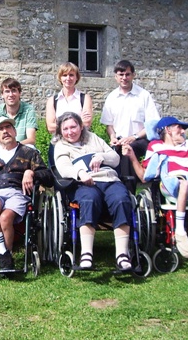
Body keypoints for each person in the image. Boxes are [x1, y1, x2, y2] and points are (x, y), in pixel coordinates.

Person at [124, 116, 188, 259]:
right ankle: (180, 232)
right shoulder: (157, 147)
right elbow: (144, 176)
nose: (183, 131)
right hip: (173, 185)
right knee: (184, 183)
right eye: (179, 127)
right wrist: (132, 157)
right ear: (167, 130)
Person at [52, 112, 134, 271]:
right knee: (89, 199)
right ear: (61, 131)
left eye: (73, 127)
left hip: (108, 179)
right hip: (84, 183)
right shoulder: (61, 145)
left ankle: (122, 255)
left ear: (80, 126)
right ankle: (86, 254)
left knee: (122, 199)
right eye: (66, 128)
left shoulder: (93, 138)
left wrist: (101, 157)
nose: (70, 132)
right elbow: (63, 167)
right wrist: (79, 173)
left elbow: (115, 158)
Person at [0, 117, 53, 270]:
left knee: (5, 217)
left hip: (17, 192)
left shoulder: (28, 152)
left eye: (8, 127)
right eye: (0, 129)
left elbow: (47, 176)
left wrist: (31, 172)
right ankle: (3, 254)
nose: (5, 131)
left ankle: (6, 255)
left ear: (14, 131)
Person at [101, 59, 160, 179]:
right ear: (116, 77)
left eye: (127, 74)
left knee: (128, 149)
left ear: (133, 75)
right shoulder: (111, 98)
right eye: (121, 75)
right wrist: (112, 137)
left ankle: (129, 190)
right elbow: (109, 125)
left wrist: (134, 137)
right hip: (119, 141)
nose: (124, 78)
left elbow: (152, 124)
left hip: (140, 140)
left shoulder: (143, 95)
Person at [0, 77, 38, 146]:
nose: (11, 94)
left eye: (14, 90)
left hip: (22, 148)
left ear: (19, 93)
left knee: (31, 147)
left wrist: (13, 147)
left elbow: (31, 139)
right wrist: (5, 148)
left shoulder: (28, 110)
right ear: (2, 95)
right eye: (7, 91)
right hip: (2, 148)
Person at [45, 62, 93, 134]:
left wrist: (59, 125)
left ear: (76, 77)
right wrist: (78, 123)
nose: (68, 78)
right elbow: (50, 127)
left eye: (71, 75)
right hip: (59, 141)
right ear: (60, 78)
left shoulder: (85, 98)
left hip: (81, 142)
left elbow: (86, 123)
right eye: (64, 75)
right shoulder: (52, 101)